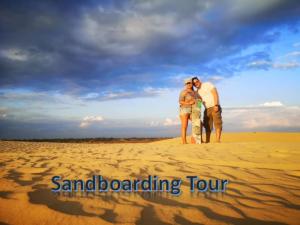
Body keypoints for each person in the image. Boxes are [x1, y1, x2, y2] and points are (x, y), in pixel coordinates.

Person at [192, 77, 222, 143]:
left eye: (196, 81)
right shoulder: (197, 92)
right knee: (207, 125)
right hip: (206, 109)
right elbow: (199, 102)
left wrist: (216, 105)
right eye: (194, 84)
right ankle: (207, 141)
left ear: (199, 80)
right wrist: (197, 111)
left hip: (214, 106)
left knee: (217, 123)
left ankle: (217, 140)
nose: (196, 84)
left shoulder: (207, 84)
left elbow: (215, 93)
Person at [178, 78, 197, 144]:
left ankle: (194, 140)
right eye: (187, 83)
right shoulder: (184, 92)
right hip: (184, 109)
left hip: (193, 110)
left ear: (192, 84)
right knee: (184, 125)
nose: (189, 84)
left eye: (190, 83)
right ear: (185, 84)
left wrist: (198, 104)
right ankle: (184, 141)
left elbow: (198, 101)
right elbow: (180, 101)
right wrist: (189, 103)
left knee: (197, 123)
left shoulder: (195, 92)